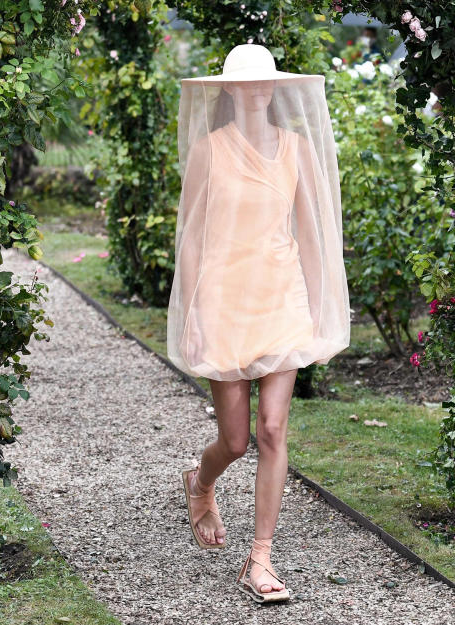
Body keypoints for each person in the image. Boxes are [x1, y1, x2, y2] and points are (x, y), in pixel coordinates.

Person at [167, 44, 350, 603]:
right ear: (229, 90)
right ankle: (201, 483)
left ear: (276, 87)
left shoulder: (296, 149)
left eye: (266, 82)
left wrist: (321, 308)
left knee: (273, 430)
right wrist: (194, 310)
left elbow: (314, 235)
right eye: (246, 84)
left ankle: (260, 559)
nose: (258, 90)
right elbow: (192, 239)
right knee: (237, 438)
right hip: (223, 299)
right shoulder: (208, 150)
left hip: (280, 298)